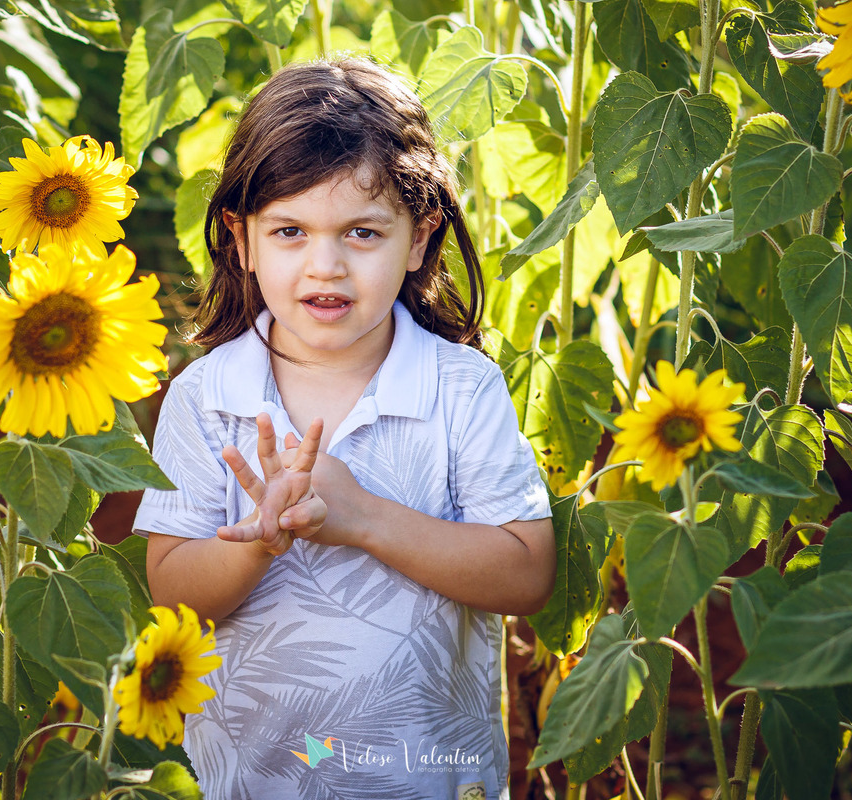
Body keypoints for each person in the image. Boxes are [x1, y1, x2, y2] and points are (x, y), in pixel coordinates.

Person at [135, 57, 555, 800]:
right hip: (250, 783)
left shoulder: (461, 388)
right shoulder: (205, 397)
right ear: (241, 237)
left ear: (421, 237)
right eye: (291, 231)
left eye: (362, 232)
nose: (324, 266)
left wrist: (363, 517)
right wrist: (260, 543)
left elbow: (526, 572)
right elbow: (172, 596)